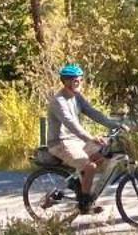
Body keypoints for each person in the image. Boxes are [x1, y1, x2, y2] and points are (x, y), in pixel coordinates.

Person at [46, 63, 120, 208]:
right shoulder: (58, 102)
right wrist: (90, 138)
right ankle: (85, 203)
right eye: (76, 80)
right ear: (67, 81)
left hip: (76, 141)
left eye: (80, 79)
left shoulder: (77, 97)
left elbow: (93, 113)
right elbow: (71, 124)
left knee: (104, 154)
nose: (79, 83)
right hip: (60, 143)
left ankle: (79, 185)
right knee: (90, 167)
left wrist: (116, 125)